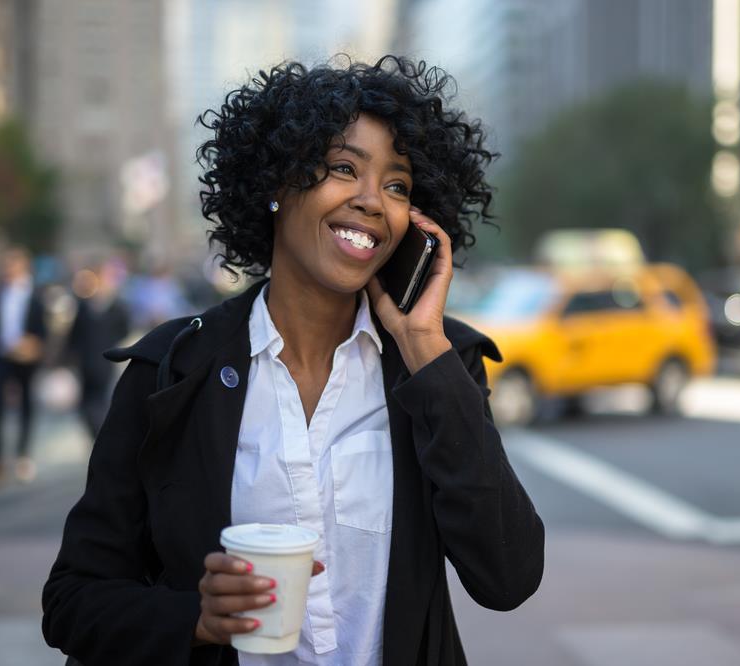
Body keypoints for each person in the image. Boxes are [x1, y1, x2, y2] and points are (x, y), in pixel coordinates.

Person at [42, 55, 544, 666]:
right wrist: (196, 620)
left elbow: (509, 577)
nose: (370, 201)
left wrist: (424, 346)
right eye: (342, 168)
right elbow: (72, 601)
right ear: (278, 184)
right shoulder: (171, 372)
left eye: (397, 185)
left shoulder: (439, 365)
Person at [0, 246, 47, 485]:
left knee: (27, 405)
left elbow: (42, 331)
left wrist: (33, 346)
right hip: (1, 356)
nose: (7, 269)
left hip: (27, 358)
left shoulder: (35, 295)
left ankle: (23, 455)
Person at [65, 258, 131, 438]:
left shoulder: (116, 306)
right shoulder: (84, 305)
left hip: (105, 361)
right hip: (85, 361)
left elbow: (124, 329)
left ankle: (104, 437)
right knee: (86, 406)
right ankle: (101, 437)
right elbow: (74, 334)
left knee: (99, 403)